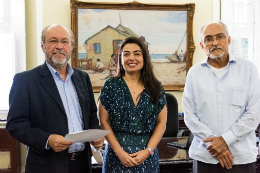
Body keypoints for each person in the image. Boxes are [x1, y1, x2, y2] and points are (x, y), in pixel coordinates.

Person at [6, 24, 105, 173]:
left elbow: (91, 114)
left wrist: (96, 133)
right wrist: (47, 140)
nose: (59, 46)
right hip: (46, 166)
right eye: (53, 41)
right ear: (43, 46)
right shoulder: (25, 80)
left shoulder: (82, 77)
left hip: (82, 165)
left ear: (71, 46)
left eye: (64, 41)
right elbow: (15, 124)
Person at [182, 21, 260, 173]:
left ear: (229, 40)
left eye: (220, 37)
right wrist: (214, 145)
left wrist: (225, 140)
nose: (215, 42)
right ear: (202, 45)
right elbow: (190, 116)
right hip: (205, 156)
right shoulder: (194, 73)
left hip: (241, 157)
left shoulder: (248, 69)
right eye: (209, 39)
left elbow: (254, 113)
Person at [98, 37, 167, 172]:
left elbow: (162, 122)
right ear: (120, 58)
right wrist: (119, 153)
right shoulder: (110, 85)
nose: (131, 58)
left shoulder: (155, 87)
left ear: (144, 58)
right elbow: (103, 121)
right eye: (126, 54)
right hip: (116, 156)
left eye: (137, 54)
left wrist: (148, 151)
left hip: (147, 157)